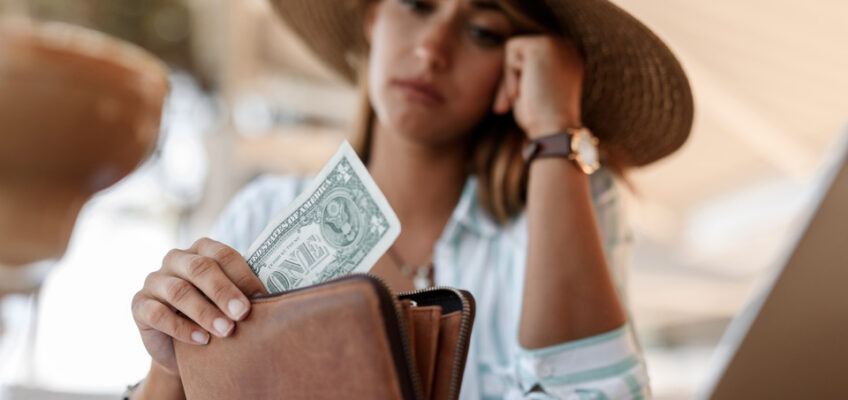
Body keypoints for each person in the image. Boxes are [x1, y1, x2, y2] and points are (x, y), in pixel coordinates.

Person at [127, 0, 693, 398]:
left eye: (484, 31)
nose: (431, 51)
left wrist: (554, 130)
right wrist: (174, 366)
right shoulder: (259, 215)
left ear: (517, 70)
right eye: (417, 2)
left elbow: (596, 393)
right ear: (373, 17)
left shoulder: (568, 197)